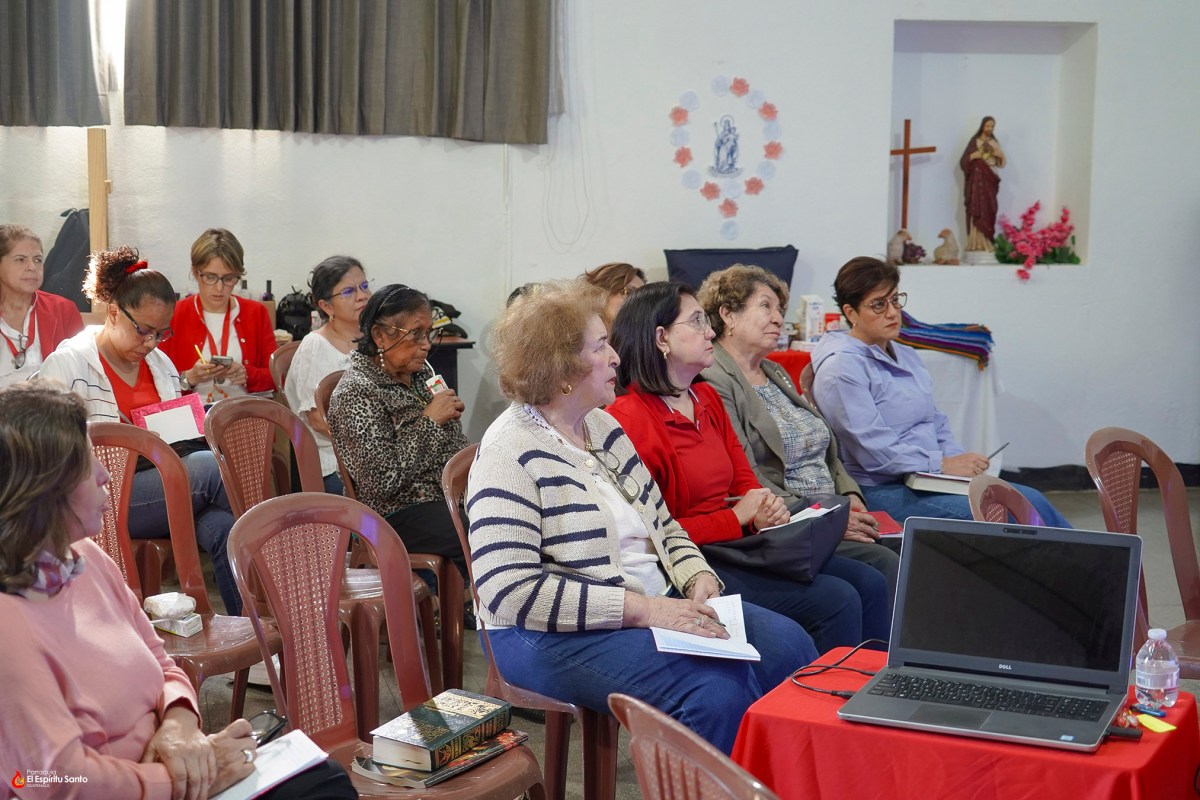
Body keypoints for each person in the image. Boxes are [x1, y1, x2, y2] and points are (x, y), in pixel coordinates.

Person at [468, 280, 815, 754]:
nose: (616, 358)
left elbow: (663, 522)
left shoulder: (602, 426)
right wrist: (646, 610)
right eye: (601, 346)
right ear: (561, 369)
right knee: (714, 690)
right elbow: (510, 594)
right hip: (541, 633)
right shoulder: (510, 451)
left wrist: (696, 577)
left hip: (645, 603)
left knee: (790, 646)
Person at [0, 383, 355, 800]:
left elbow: (162, 662)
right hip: (148, 789)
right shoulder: (10, 625)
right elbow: (48, 782)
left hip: (175, 773)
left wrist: (179, 725)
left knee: (323, 775)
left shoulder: (84, 560)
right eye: (85, 463)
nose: (105, 474)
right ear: (40, 488)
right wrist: (186, 781)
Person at [607, 282, 890, 654]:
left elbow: (744, 480)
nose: (710, 332)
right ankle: (816, 702)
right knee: (836, 599)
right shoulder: (630, 417)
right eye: (696, 322)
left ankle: (872, 690)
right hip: (692, 561)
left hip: (743, 543)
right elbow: (655, 531)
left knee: (870, 582)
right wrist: (739, 517)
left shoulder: (704, 395)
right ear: (661, 338)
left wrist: (763, 508)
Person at [37, 246, 242, 615]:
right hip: (101, 495)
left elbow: (178, 428)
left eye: (161, 334)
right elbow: (39, 442)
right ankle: (289, 581)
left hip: (163, 487)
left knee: (224, 526)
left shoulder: (159, 362)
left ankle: (256, 635)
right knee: (212, 469)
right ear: (113, 313)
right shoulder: (68, 364)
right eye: (144, 331)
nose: (150, 343)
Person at [811, 256, 1071, 527]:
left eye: (895, 300)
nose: (892, 312)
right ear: (851, 313)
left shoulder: (905, 354)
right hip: (882, 488)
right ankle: (1092, 564)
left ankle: (1097, 561)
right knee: (1012, 511)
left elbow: (934, 421)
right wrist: (942, 465)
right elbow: (873, 451)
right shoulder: (842, 367)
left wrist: (961, 467)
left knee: (1031, 499)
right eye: (878, 305)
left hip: (925, 478)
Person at [696, 264, 901, 596]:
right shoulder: (714, 380)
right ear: (728, 315)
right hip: (788, 523)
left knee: (904, 548)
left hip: (829, 510)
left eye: (780, 310)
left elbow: (825, 446)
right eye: (766, 306)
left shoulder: (775, 371)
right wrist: (829, 518)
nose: (778, 318)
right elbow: (746, 475)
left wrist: (850, 496)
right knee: (883, 563)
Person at [328, 284, 468, 576]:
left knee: (511, 511)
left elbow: (451, 443)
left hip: (441, 497)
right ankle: (492, 611)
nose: (426, 344)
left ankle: (473, 604)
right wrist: (430, 421)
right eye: (415, 334)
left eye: (428, 333)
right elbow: (382, 481)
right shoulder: (357, 392)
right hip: (391, 514)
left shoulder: (420, 374)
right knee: (486, 532)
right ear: (380, 335)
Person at [284, 256, 372, 494]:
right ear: (326, 306)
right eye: (349, 291)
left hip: (372, 456)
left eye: (364, 286)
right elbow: (317, 420)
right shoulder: (315, 346)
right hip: (333, 464)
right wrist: (369, 442)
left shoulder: (372, 338)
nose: (363, 295)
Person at [160, 228, 277, 404]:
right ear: (195, 272)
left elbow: (276, 377)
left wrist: (248, 375)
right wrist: (188, 378)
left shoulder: (256, 313)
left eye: (229, 278)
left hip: (243, 417)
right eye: (210, 277)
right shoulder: (174, 315)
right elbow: (156, 380)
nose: (219, 288)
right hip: (191, 422)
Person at [0, 224, 83, 386]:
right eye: (20, 259)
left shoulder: (63, 310)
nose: (32, 267)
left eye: (38, 260)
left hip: (53, 408)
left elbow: (81, 375)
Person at [960, 116, 1006, 252]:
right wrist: (972, 157)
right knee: (977, 208)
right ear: (982, 126)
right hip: (976, 180)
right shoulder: (974, 142)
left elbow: (1002, 163)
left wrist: (999, 155)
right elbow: (963, 162)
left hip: (990, 177)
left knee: (989, 207)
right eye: (988, 126)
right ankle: (975, 243)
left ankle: (987, 242)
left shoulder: (994, 143)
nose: (990, 129)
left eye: (992, 126)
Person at [582, 262, 646, 329]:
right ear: (600, 293)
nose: (639, 305)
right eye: (630, 293)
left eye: (643, 299)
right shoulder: (574, 336)